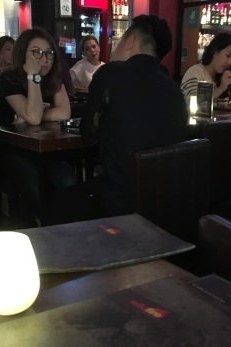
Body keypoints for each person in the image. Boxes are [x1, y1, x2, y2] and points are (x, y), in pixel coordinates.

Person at [53, 15, 188, 221]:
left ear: (131, 41)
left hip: (119, 203)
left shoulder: (110, 74)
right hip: (165, 202)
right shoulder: (174, 88)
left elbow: (88, 135)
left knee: (58, 203)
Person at [0, 26, 76, 227]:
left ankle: (59, 230)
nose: (44, 59)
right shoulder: (9, 78)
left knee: (67, 181)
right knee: (33, 188)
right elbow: (34, 117)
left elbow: (64, 113)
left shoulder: (53, 78)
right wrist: (33, 77)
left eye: (49, 53)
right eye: (36, 52)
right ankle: (34, 231)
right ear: (22, 53)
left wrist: (37, 114)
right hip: (14, 150)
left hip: (46, 150)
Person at [180, 33, 231, 107]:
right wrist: (221, 88)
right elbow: (194, 106)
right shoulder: (195, 72)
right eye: (228, 56)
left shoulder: (219, 78)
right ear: (215, 51)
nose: (229, 62)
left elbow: (224, 110)